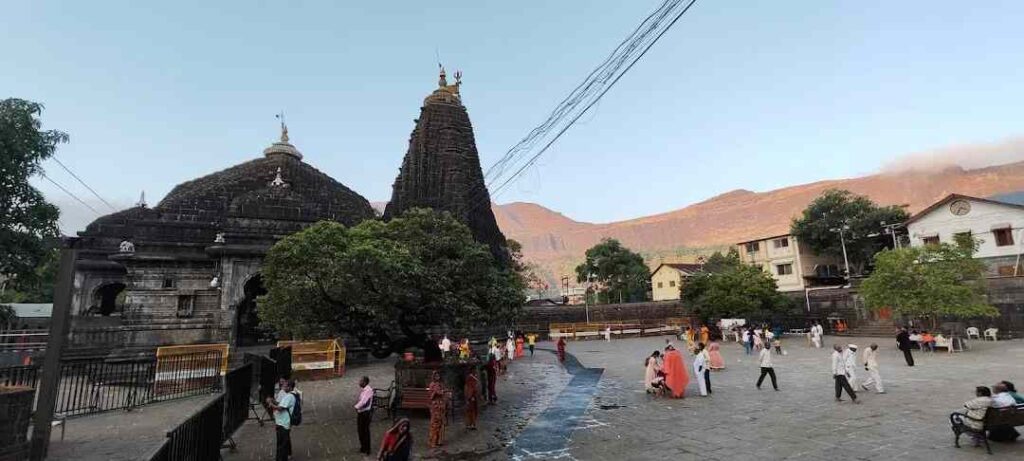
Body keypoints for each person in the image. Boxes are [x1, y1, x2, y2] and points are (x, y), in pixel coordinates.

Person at [266, 379, 296, 461]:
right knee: (283, 442)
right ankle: (284, 456)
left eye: (285, 386)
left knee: (281, 444)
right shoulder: (288, 395)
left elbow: (280, 408)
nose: (283, 388)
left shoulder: (289, 396)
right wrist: (273, 401)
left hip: (284, 423)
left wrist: (270, 404)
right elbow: (280, 404)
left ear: (289, 387)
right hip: (282, 422)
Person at [355, 376, 374, 456]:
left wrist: (356, 407)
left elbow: (363, 402)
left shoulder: (367, 391)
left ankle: (367, 448)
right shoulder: (365, 390)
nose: (359, 382)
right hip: (362, 412)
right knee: (361, 431)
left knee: (365, 431)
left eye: (361, 381)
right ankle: (363, 447)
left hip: (365, 413)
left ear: (365, 382)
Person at [427, 371, 447, 448]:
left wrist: (443, 393)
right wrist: (436, 392)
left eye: (438, 375)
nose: (437, 377)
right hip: (435, 406)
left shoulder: (441, 384)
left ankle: (439, 440)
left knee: (441, 423)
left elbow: (443, 392)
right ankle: (433, 441)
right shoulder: (432, 384)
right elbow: (431, 395)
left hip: (441, 405)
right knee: (435, 423)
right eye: (436, 376)